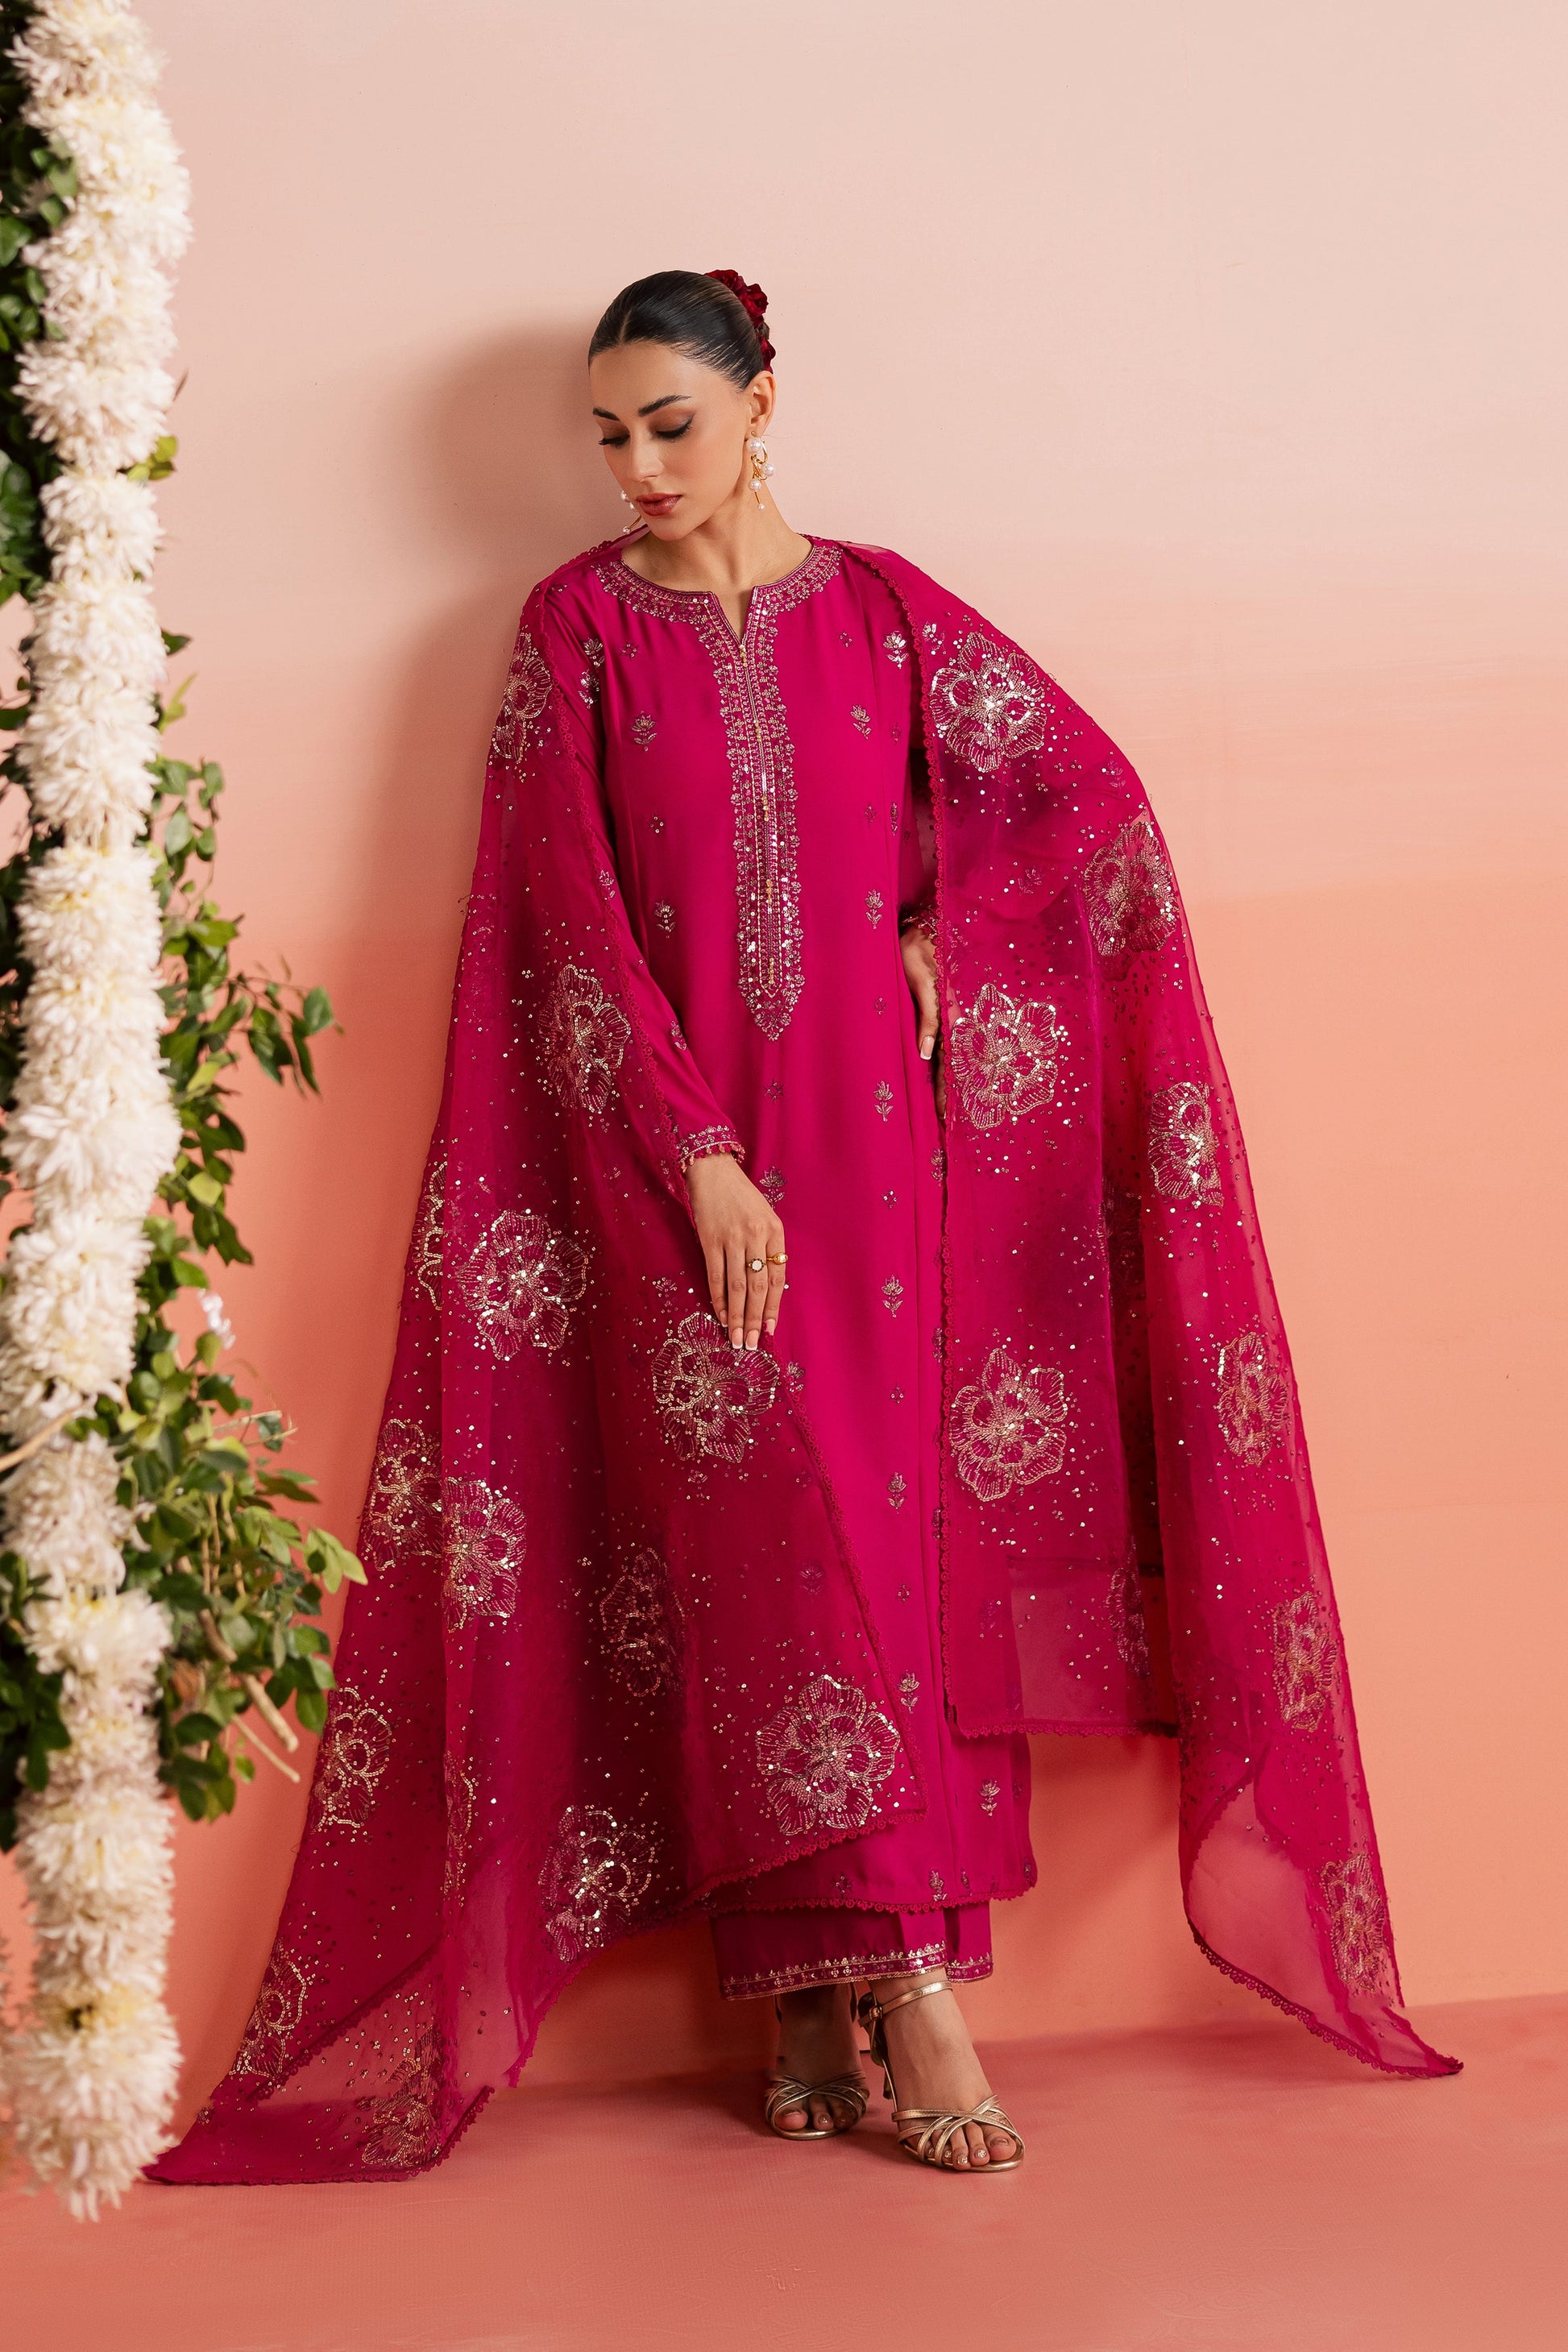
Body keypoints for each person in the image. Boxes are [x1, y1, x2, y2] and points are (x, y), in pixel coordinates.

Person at [151, 270, 1456, 2194]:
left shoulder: (885, 614)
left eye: (671, 421)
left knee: (888, 1549)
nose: (638, 464)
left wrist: (945, 940)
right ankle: (888, 1995)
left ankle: (825, 2000)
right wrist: (693, 1153)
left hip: (880, 1169)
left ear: (765, 400)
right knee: (761, 1556)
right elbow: (563, 911)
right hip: (677, 1172)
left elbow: (1083, 806)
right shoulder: (573, 631)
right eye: (609, 433)